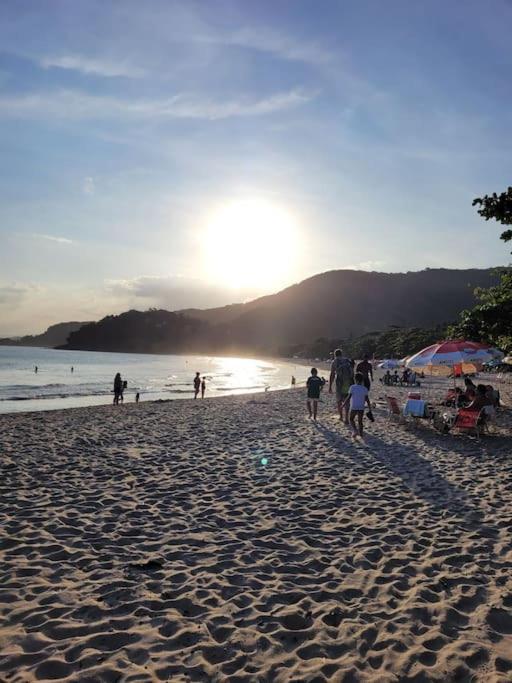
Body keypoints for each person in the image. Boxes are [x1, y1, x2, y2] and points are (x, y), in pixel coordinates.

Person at [342, 372, 372, 439]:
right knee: (360, 421)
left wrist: (344, 404)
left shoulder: (352, 387)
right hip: (361, 407)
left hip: (354, 406)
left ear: (355, 379)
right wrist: (369, 407)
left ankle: (355, 430)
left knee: (351, 419)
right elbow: (367, 399)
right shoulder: (365, 389)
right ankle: (361, 434)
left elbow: (349, 397)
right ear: (362, 380)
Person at [329, 348, 354, 423]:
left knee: (339, 400)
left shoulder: (335, 361)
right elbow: (352, 371)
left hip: (339, 383)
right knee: (347, 400)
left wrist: (330, 386)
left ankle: (341, 416)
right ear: (341, 354)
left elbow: (332, 374)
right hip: (348, 382)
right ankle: (346, 418)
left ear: (335, 355)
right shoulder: (347, 360)